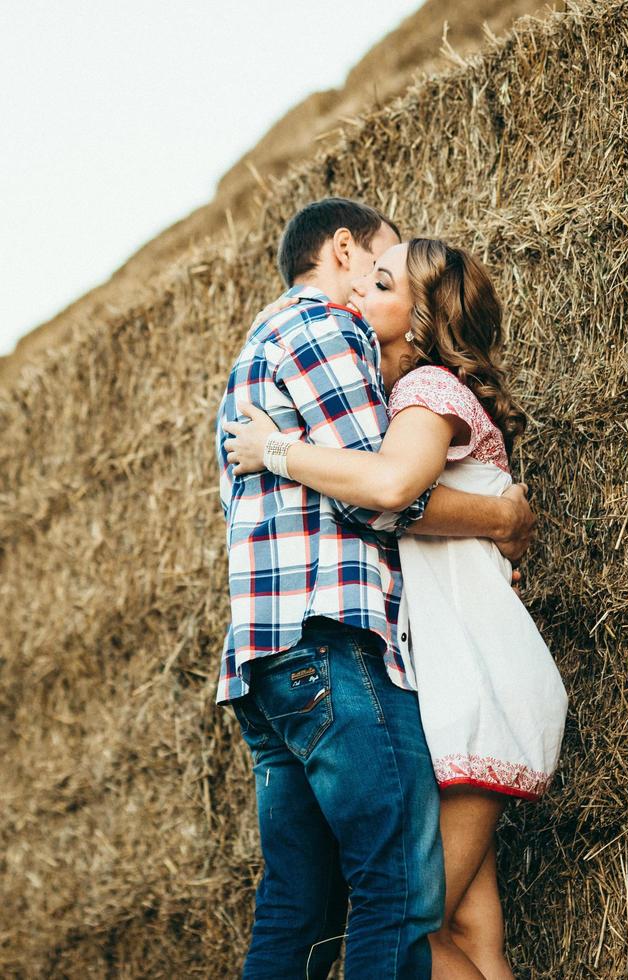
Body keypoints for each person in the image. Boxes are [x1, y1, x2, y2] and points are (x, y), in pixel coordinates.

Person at [216, 199, 535, 979]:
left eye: (390, 286)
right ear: (346, 249)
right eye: (380, 265)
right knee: (396, 894)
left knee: (302, 909)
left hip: (273, 663)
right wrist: (501, 517)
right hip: (333, 647)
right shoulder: (327, 329)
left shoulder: (262, 348)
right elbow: (385, 491)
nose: (367, 298)